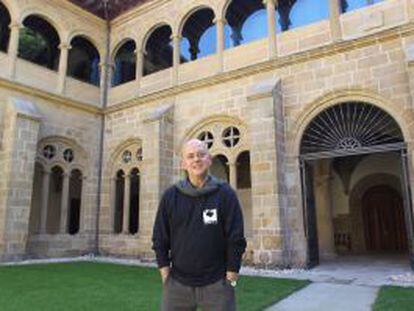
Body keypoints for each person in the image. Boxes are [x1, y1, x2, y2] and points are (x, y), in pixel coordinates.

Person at [152, 139, 247, 311]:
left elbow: (236, 237)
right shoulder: (171, 196)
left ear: (209, 160)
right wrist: (165, 275)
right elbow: (159, 237)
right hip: (177, 285)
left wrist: (231, 279)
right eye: (190, 156)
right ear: (183, 164)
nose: (196, 159)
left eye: (201, 155)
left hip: (218, 284)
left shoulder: (225, 193)